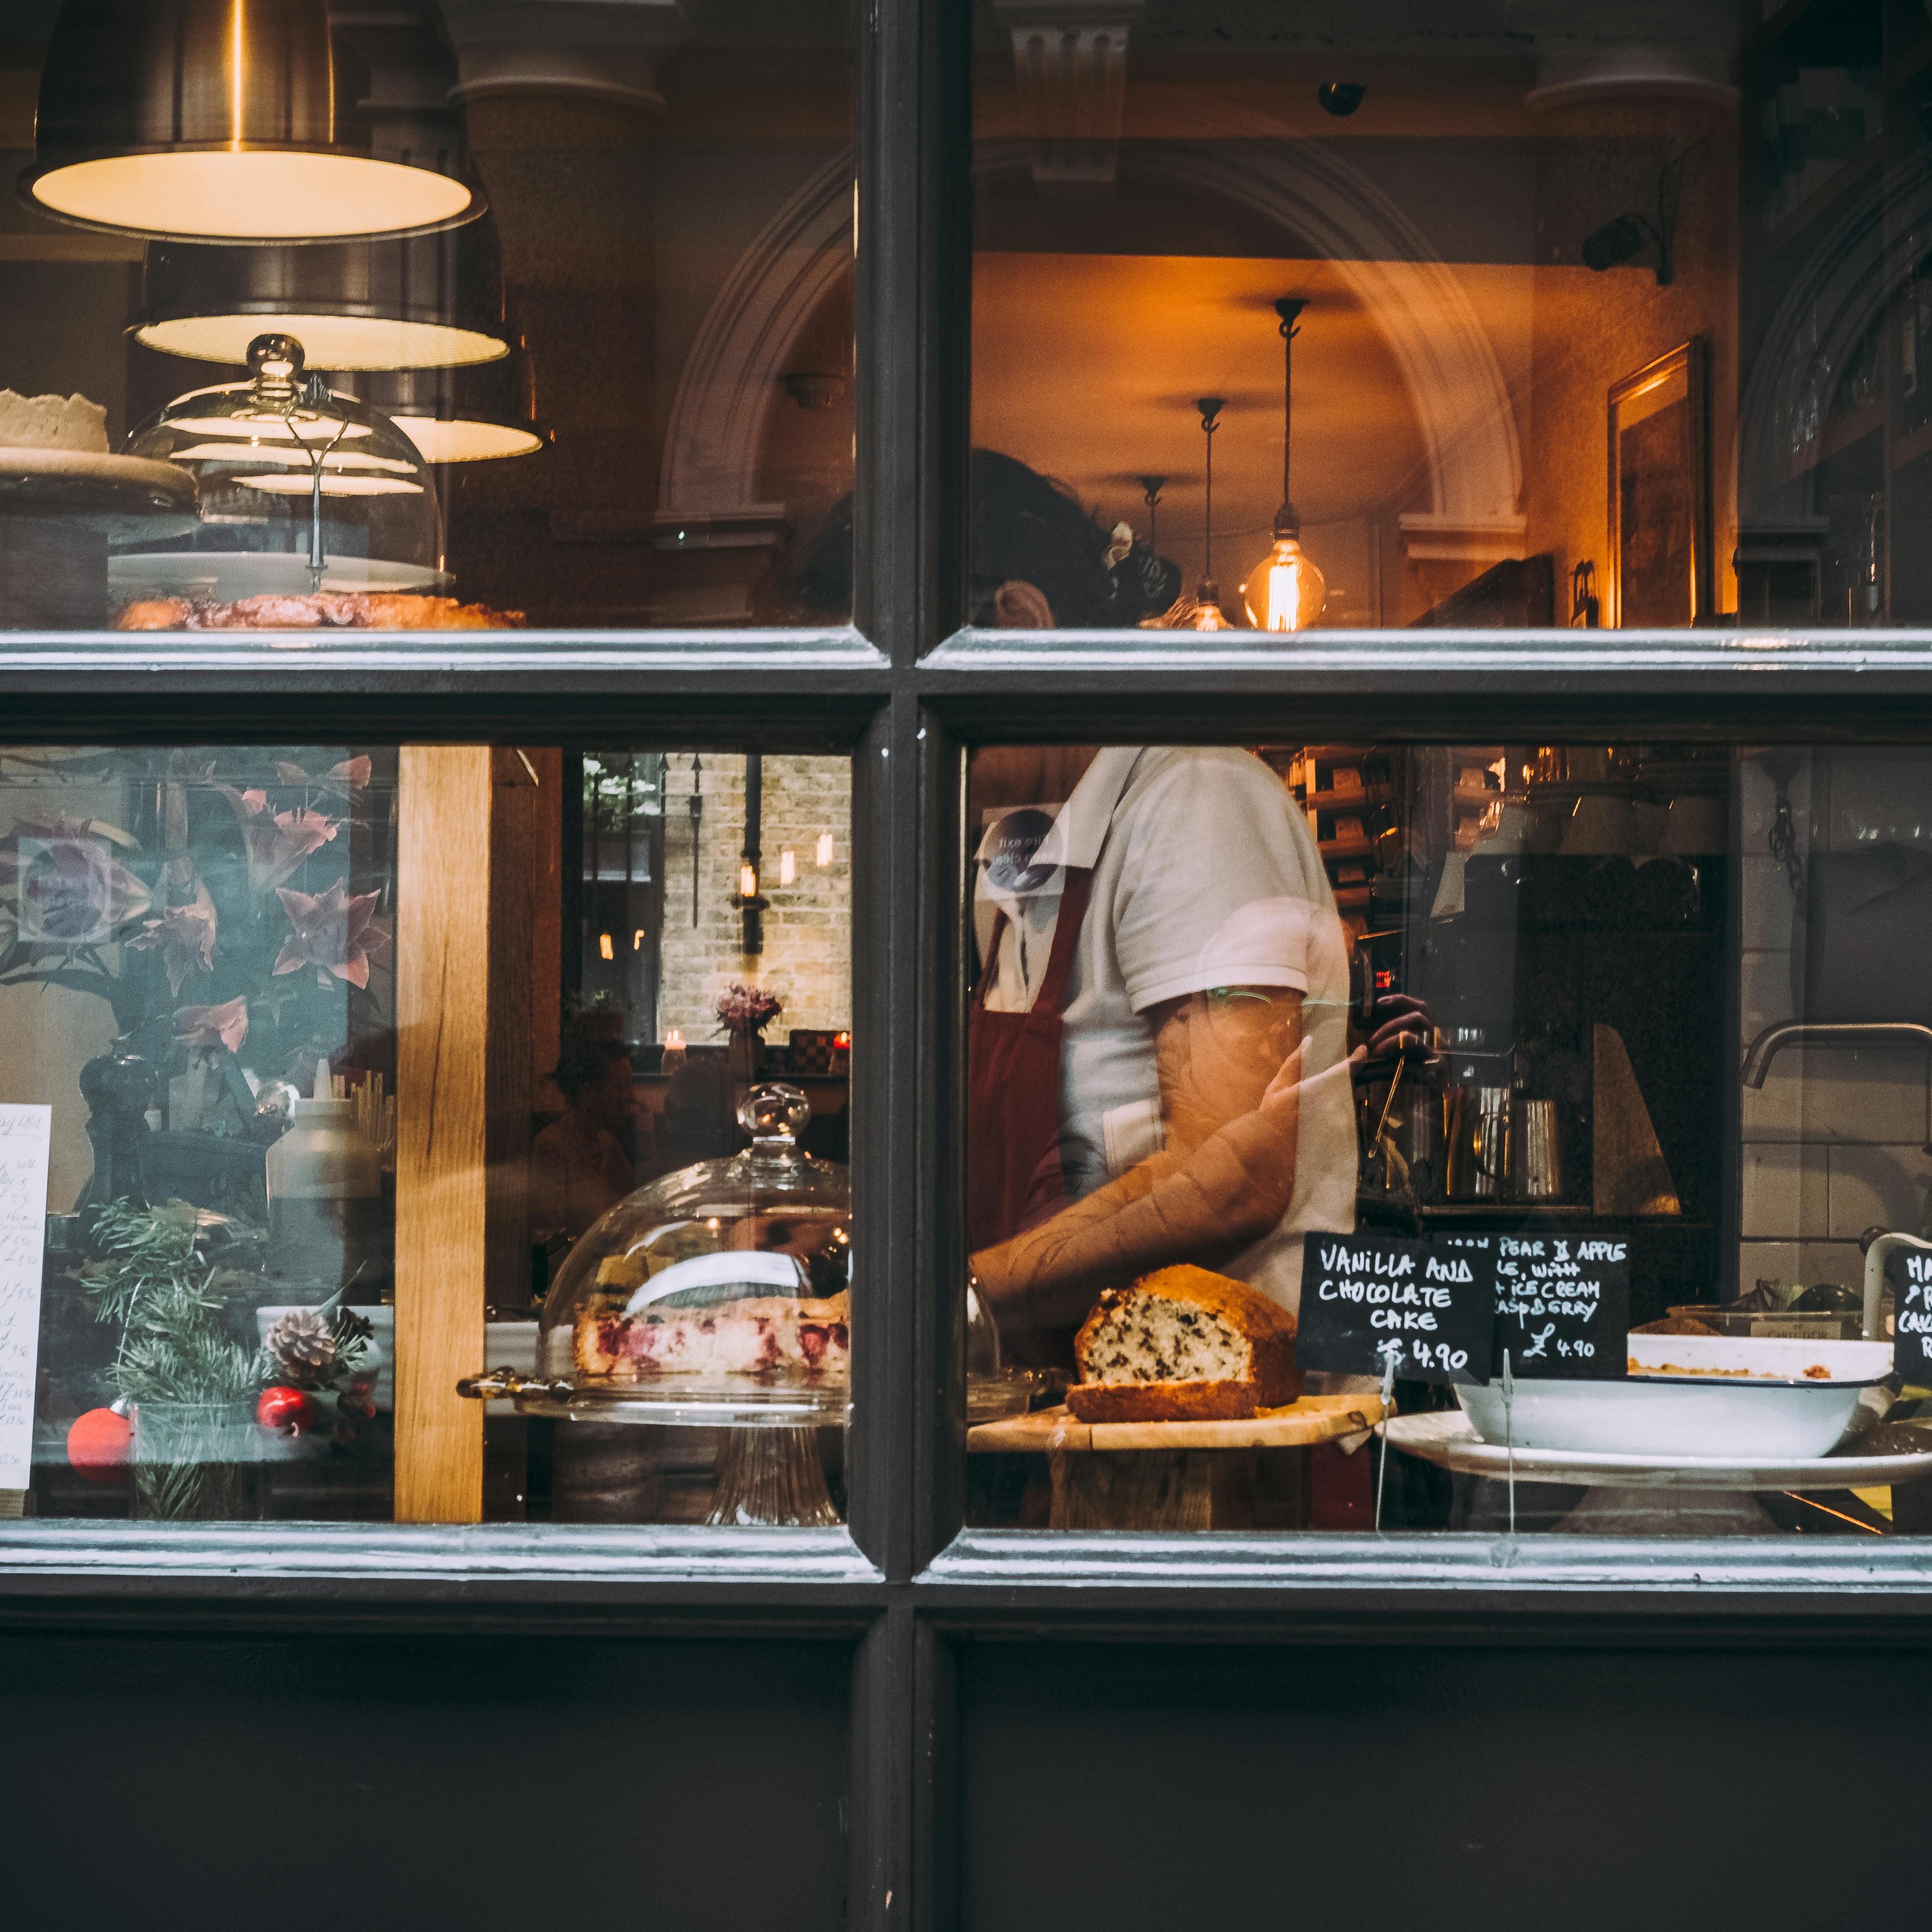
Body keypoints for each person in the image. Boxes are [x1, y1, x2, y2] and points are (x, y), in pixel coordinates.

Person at [531, 1023, 638, 1244]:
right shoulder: (551, 1150)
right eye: (620, 1088)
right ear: (587, 1091)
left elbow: (636, 1216)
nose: (631, 1097)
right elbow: (551, 1246)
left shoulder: (608, 1145)